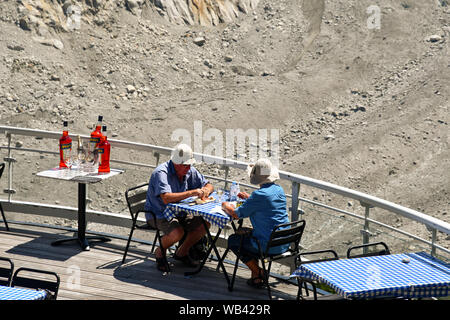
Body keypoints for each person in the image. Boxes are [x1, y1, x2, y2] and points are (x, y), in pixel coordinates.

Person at [144, 143, 214, 272]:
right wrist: (192, 192)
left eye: (189, 165)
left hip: (179, 212)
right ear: (176, 163)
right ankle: (160, 252)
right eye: (185, 165)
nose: (188, 168)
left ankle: (182, 252)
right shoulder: (162, 172)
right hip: (159, 213)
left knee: (204, 224)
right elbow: (166, 197)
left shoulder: (188, 169)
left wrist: (205, 190)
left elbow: (208, 184)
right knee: (177, 232)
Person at [222, 158, 289, 288]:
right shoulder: (279, 190)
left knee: (233, 240)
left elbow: (236, 214)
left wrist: (225, 206)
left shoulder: (259, 195)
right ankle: (256, 279)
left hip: (267, 245)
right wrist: (249, 198)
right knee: (248, 235)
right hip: (283, 241)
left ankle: (259, 272)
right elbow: (267, 204)